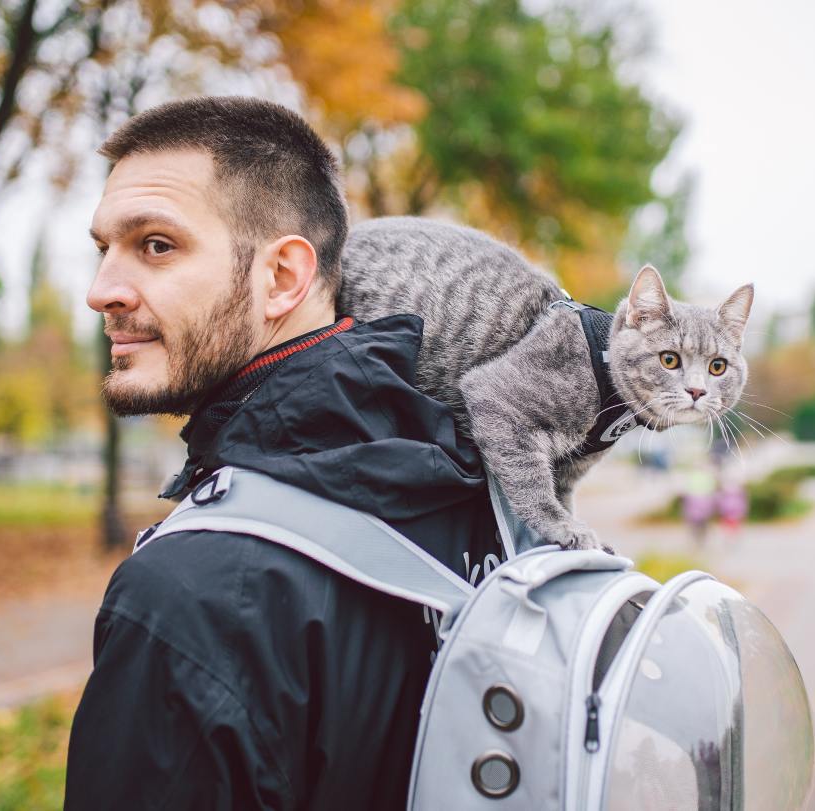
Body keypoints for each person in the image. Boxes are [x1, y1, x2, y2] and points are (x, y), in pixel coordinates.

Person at [65, 97, 502, 810]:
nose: (101, 291)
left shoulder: (188, 595)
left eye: (155, 245)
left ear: (283, 277)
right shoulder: (469, 488)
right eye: (103, 249)